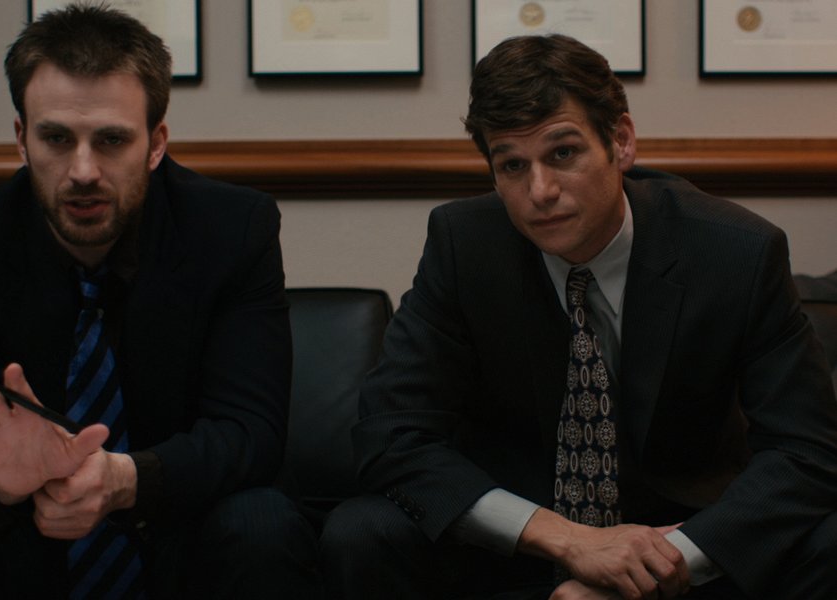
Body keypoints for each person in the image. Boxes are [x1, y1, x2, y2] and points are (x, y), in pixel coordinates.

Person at [321, 34, 837, 600]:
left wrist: (658, 568)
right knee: (362, 531)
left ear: (621, 141)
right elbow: (391, 433)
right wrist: (568, 541)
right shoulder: (464, 245)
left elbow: (805, 451)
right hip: (520, 539)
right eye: (512, 165)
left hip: (681, 537)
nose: (540, 191)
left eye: (563, 154)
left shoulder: (735, 252)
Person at [0, 5, 321, 599]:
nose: (83, 171)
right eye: (56, 138)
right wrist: (0, 484)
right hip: (21, 531)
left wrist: (123, 479)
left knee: (263, 525)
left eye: (111, 140)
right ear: (22, 139)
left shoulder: (232, 229)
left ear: (155, 144)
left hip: (177, 520)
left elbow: (248, 430)